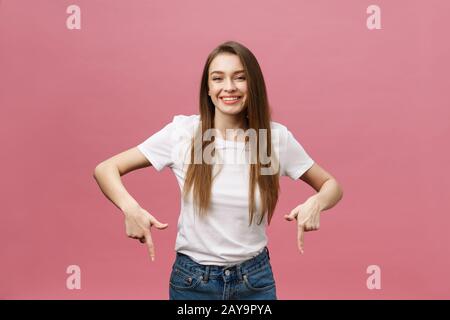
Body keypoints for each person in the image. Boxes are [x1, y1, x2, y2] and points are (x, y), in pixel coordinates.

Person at [93, 41, 343, 300]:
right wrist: (130, 208)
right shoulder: (184, 133)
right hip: (192, 283)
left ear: (253, 85)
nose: (229, 87)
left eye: (240, 78)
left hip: (254, 281)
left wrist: (317, 203)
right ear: (208, 89)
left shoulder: (273, 138)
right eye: (218, 78)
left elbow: (331, 185)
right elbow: (106, 168)